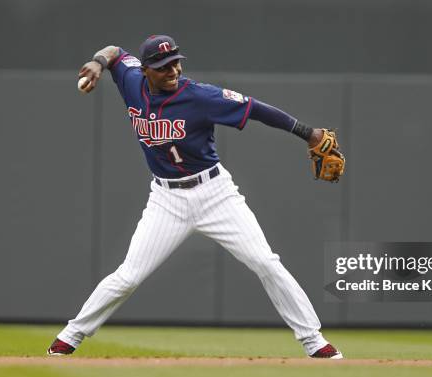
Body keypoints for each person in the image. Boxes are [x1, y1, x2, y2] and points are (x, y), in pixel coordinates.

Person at [47, 34, 343, 359]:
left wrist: (308, 133)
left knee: (265, 262)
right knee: (128, 276)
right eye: (162, 66)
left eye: (175, 62)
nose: (172, 70)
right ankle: (68, 338)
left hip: (215, 194)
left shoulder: (201, 96)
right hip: (166, 200)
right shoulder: (130, 79)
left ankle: (314, 342)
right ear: (146, 70)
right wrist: (98, 62)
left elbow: (255, 109)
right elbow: (115, 51)